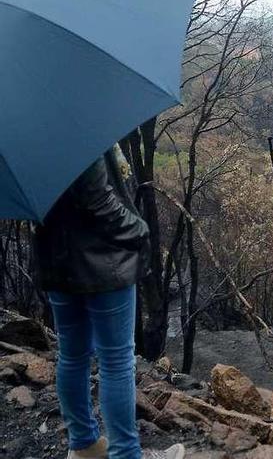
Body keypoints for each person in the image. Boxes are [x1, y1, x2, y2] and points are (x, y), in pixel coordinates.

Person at [34, 150, 184, 459]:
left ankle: (84, 445)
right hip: (103, 262)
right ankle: (126, 454)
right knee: (116, 362)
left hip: (56, 259)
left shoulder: (23, 132)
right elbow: (98, 200)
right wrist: (139, 231)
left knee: (72, 356)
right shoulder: (77, 125)